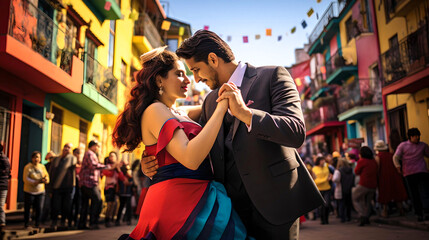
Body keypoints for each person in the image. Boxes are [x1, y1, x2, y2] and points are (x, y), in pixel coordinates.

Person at [141, 30, 323, 239]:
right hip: (230, 213)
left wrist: (247, 115)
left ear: (213, 59)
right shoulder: (210, 101)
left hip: (276, 206)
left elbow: (296, 131)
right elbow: (186, 138)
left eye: (197, 70)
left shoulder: (272, 76)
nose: (196, 79)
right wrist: (151, 158)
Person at [113, 47, 249, 239]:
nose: (188, 80)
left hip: (195, 198)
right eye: (179, 74)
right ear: (159, 80)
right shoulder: (154, 110)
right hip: (178, 205)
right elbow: (190, 158)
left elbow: (208, 105)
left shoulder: (178, 112)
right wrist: (221, 109)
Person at [393, 128, 429, 221]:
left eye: (418, 136)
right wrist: (398, 167)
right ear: (410, 137)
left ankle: (426, 211)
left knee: (424, 192)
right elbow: (396, 157)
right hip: (409, 173)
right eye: (415, 136)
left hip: (421, 171)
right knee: (414, 194)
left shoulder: (423, 145)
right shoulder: (403, 146)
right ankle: (419, 213)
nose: (417, 138)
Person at [78, 140, 110, 230]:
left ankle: (82, 223)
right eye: (97, 146)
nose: (98, 148)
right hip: (89, 183)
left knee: (85, 203)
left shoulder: (91, 154)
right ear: (93, 146)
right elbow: (94, 165)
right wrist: (107, 167)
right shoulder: (90, 154)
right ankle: (92, 222)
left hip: (88, 182)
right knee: (97, 200)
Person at [374, 140, 407, 217]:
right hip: (395, 175)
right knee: (397, 192)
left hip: (384, 176)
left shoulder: (378, 157)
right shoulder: (392, 155)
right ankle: (401, 209)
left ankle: (385, 212)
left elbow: (377, 168)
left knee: (385, 193)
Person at [48, 143, 77, 229]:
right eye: (65, 147)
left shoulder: (72, 159)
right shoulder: (56, 159)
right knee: (55, 206)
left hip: (68, 187)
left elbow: (75, 166)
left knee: (66, 206)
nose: (66, 149)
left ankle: (63, 222)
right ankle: (54, 222)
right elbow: (51, 172)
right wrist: (50, 188)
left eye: (69, 147)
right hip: (56, 186)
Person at [23, 151, 49, 228]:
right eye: (35, 157)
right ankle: (26, 223)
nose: (36, 159)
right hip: (29, 191)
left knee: (39, 208)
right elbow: (25, 178)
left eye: (38, 157)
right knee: (27, 208)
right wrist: (35, 182)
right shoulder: (28, 167)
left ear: (40, 159)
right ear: (32, 158)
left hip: (40, 191)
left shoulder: (42, 167)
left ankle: (37, 223)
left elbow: (46, 176)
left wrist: (46, 180)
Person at [352, 146, 378, 226]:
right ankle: (367, 217)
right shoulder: (373, 161)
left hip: (364, 184)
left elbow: (356, 171)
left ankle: (362, 214)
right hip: (373, 185)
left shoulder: (362, 161)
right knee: (368, 201)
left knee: (355, 198)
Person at [102, 152, 125, 227]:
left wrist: (118, 169)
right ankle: (107, 220)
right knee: (109, 204)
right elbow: (108, 173)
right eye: (110, 156)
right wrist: (113, 167)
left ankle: (110, 219)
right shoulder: (107, 166)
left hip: (115, 188)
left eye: (113, 156)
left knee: (113, 204)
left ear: (116, 158)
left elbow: (122, 178)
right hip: (109, 187)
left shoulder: (117, 168)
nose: (111, 157)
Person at [332, 157, 354, 222]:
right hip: (349, 188)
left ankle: (342, 217)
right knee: (348, 203)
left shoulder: (338, 171)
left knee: (342, 203)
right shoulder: (350, 169)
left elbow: (335, 179)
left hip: (341, 188)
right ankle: (348, 217)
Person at [313, 156, 332, 225]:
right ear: (318, 161)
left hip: (327, 188)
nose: (323, 162)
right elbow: (315, 181)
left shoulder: (326, 167)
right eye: (321, 160)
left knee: (327, 205)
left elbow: (330, 174)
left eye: (324, 160)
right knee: (321, 206)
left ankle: (326, 219)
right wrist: (325, 179)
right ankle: (322, 220)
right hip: (319, 189)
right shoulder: (314, 169)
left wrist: (330, 176)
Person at [0, 144, 11, 230]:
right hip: (3, 185)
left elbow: (6, 172)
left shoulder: (4, 159)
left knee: (0, 205)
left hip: (2, 185)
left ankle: (2, 222)